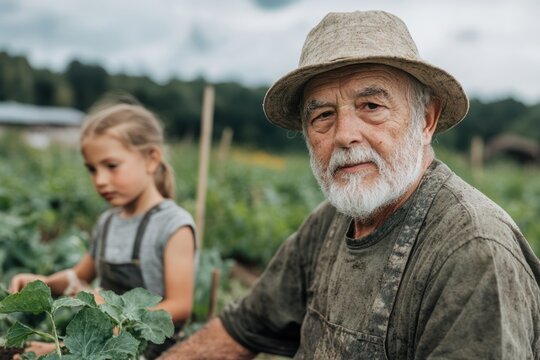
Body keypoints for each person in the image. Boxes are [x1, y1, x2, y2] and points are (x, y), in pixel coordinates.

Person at [158, 10, 540, 360]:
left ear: (426, 119)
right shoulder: (328, 225)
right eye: (323, 115)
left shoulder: (473, 251)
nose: (344, 135)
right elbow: (242, 328)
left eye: (371, 107)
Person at [9, 98, 197, 359]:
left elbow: (181, 305)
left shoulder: (173, 225)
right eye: (92, 169)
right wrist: (43, 285)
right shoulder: (107, 223)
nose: (100, 180)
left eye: (111, 166)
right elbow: (79, 277)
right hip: (103, 345)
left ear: (151, 159)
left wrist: (115, 313)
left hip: (154, 349)